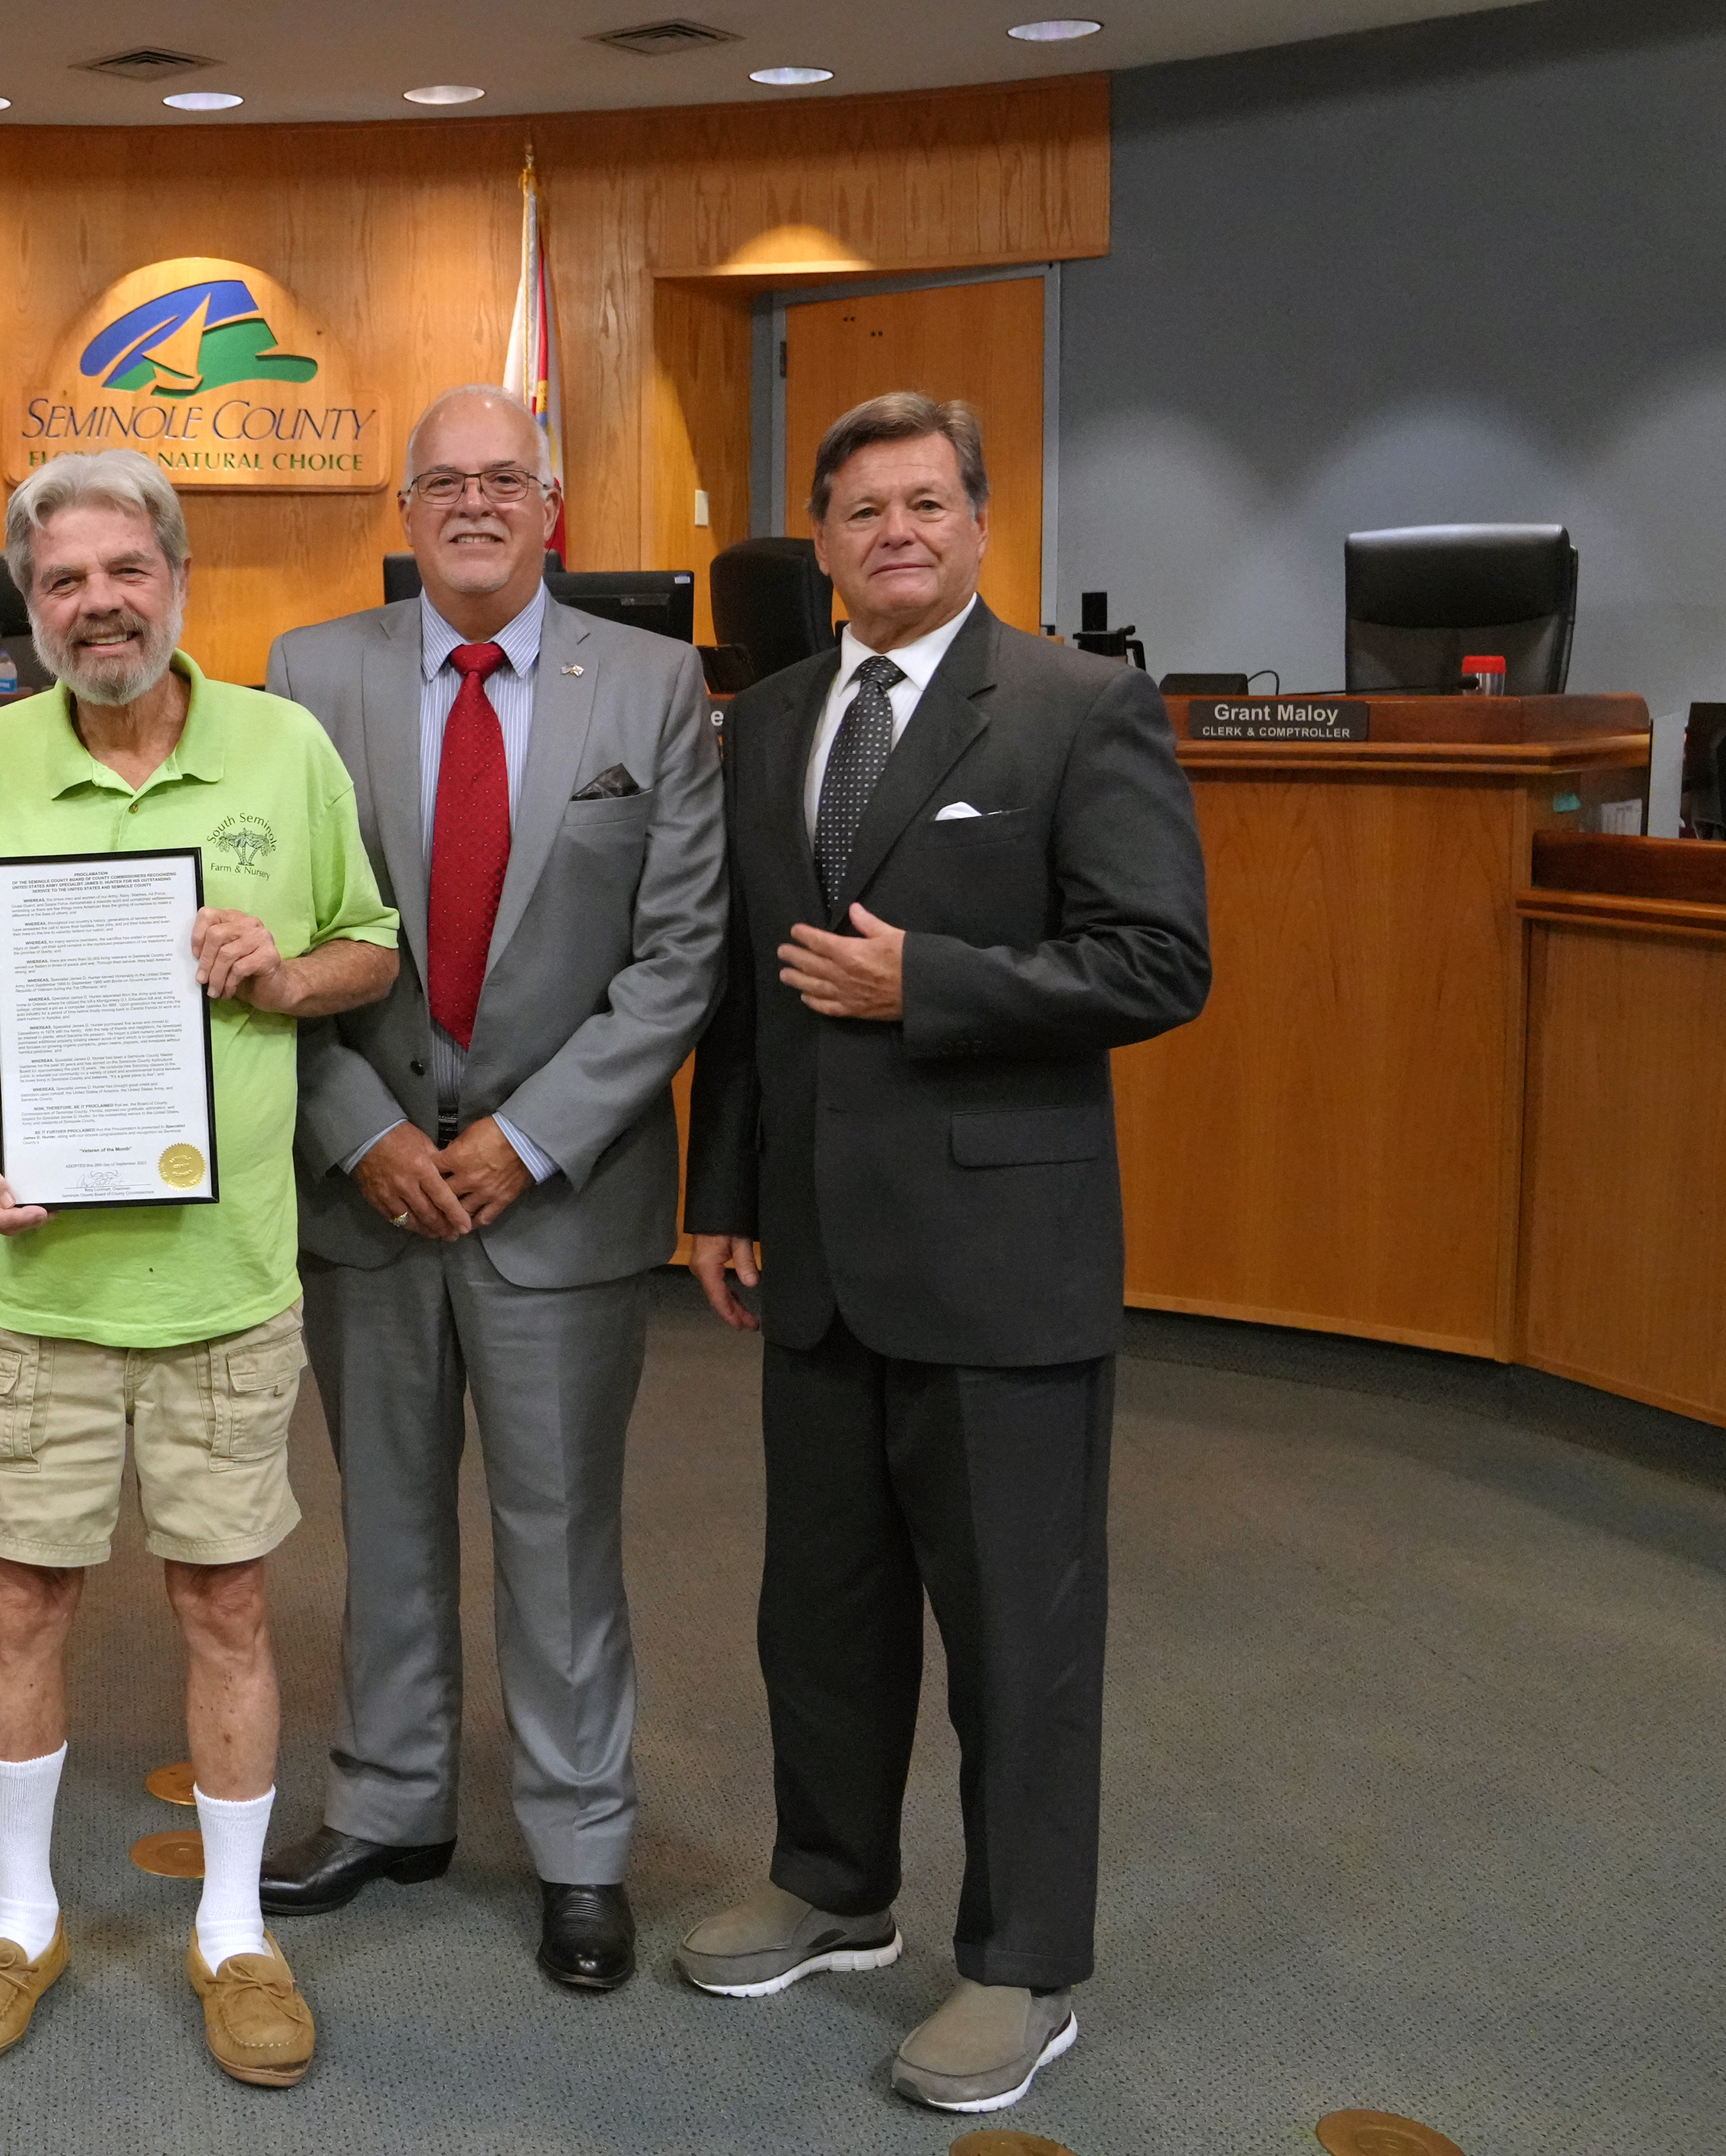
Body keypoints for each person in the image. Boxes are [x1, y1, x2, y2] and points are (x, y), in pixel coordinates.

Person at [679, 391, 1210, 2113]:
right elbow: (752, 990)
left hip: (1005, 1260)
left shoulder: (1078, 708)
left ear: (977, 523)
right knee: (818, 1611)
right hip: (819, 1258)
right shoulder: (764, 723)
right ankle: (831, 1884)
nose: (894, 531)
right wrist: (723, 1189)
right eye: (861, 509)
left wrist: (940, 990)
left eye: (926, 502)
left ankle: (1023, 1961)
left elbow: (1156, 964)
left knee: (1017, 1635)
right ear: (821, 542)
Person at [0, 449, 400, 2090]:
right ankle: (22, 1916)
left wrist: (283, 972)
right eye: (59, 583)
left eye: (122, 570)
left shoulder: (284, 746)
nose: (96, 603)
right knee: (25, 1597)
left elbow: (370, 946)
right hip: (30, 1289)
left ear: (173, 577)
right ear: (27, 611)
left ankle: (234, 1933)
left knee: (227, 1602)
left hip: (224, 1283)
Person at [256, 385, 726, 1991]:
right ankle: (389, 1804)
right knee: (382, 1519)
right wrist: (359, 1127)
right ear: (403, 508)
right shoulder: (312, 676)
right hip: (365, 1186)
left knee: (558, 1534)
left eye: (503, 479)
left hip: (561, 1196)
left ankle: (582, 1845)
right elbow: (269, 940)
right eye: (444, 481)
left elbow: (678, 962)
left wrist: (524, 1138)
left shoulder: (656, 685)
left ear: (552, 507)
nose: (473, 503)